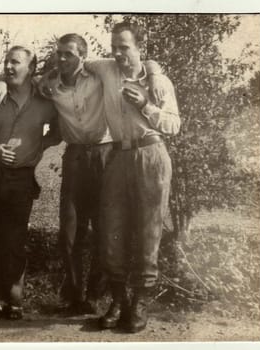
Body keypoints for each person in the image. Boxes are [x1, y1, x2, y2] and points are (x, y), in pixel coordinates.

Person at [0, 33, 166, 315]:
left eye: (68, 54)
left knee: (106, 229)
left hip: (106, 154)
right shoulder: (48, 84)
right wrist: (0, 80)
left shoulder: (100, 73)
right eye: (59, 53)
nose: (61, 59)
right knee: (70, 231)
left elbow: (140, 61)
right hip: (74, 156)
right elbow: (19, 80)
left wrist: (155, 74)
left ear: (83, 57)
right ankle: (74, 297)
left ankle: (98, 297)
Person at [87, 22, 180, 333]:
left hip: (151, 154)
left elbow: (173, 125)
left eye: (124, 47)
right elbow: (71, 60)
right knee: (111, 228)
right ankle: (118, 301)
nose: (117, 52)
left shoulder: (159, 81)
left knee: (148, 230)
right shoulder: (106, 68)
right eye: (114, 46)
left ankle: (139, 302)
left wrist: (146, 104)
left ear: (139, 47)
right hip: (118, 155)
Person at [0, 45, 60, 322]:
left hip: (21, 179)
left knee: (15, 242)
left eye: (15, 62)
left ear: (32, 67)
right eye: (6, 62)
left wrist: (39, 145)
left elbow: (59, 131)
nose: (8, 67)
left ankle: (15, 301)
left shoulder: (45, 102)